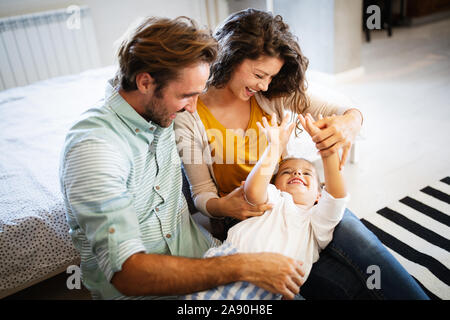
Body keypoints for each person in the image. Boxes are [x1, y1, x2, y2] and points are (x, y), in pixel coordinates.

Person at [174, 8, 429, 299]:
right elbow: (201, 193)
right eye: (259, 74)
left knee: (366, 247)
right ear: (230, 57)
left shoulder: (272, 92)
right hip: (248, 216)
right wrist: (224, 207)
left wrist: (349, 123)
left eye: (271, 76)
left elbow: (344, 107)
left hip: (294, 198)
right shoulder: (191, 113)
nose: (265, 85)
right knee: (346, 285)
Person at [59, 16, 305, 300]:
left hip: (202, 252)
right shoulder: (95, 149)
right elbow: (127, 273)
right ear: (145, 82)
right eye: (187, 96)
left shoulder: (159, 109)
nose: (193, 109)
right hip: (147, 291)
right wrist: (241, 266)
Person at [184, 113, 349, 300]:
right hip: (228, 262)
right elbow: (253, 192)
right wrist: (274, 147)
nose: (296, 172)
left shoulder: (316, 221)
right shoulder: (273, 196)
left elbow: (336, 196)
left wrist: (327, 150)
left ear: (319, 195)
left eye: (307, 173)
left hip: (271, 290)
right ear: (275, 183)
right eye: (287, 172)